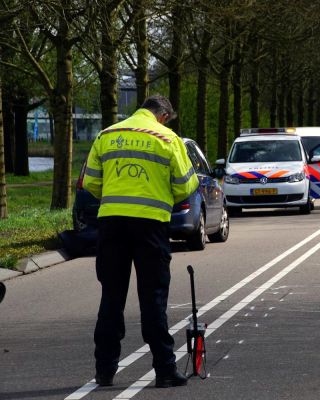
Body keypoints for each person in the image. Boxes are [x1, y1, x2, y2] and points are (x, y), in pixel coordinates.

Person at [83, 95, 199, 388]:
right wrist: (159, 199)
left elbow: (91, 182)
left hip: (111, 224)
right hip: (150, 226)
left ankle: (105, 371)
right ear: (163, 115)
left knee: (111, 297)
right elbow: (186, 184)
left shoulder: (107, 135)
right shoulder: (168, 138)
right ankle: (164, 370)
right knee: (153, 299)